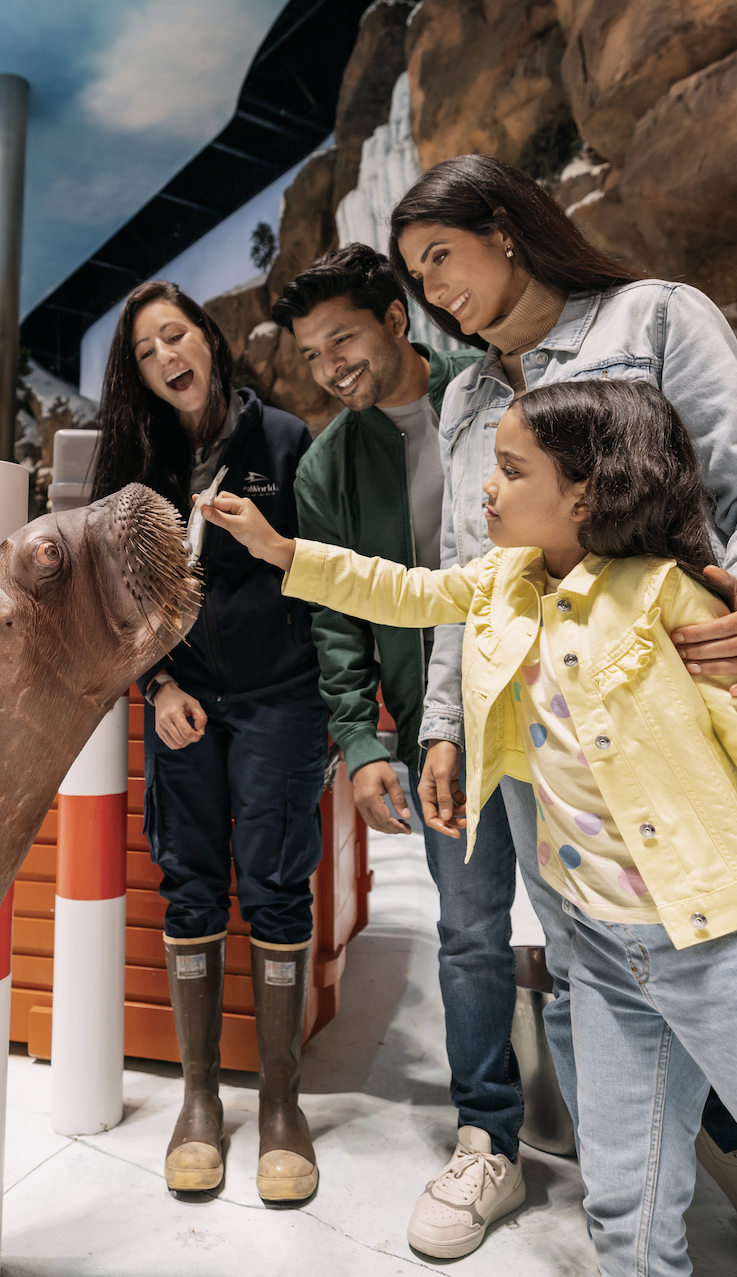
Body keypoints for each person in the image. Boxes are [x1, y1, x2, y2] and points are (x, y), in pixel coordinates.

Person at [197, 376, 737, 1277]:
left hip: (735, 953)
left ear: (585, 494)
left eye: (510, 470)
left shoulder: (672, 601)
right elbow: (403, 590)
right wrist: (280, 550)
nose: (486, 488)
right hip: (605, 957)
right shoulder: (503, 583)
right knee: (624, 1211)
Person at [393, 153, 737, 1275]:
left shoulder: (654, 318)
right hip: (539, 741)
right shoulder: (464, 396)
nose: (431, 289)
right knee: (588, 977)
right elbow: (472, 581)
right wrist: (444, 724)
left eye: (440, 255)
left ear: (505, 227)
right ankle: (633, 1237)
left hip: (671, 722)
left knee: (726, 957)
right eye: (415, 275)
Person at [273, 243, 526, 1258]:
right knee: (468, 933)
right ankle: (487, 1134)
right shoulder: (326, 465)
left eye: (342, 338)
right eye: (309, 353)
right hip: (436, 735)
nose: (329, 367)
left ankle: (716, 1133)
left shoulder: (495, 394)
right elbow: (337, 617)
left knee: (623, 926)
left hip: (553, 711)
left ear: (393, 317)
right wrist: (360, 736)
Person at [89, 280, 328, 1204]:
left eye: (174, 335)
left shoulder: (284, 443)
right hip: (182, 703)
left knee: (274, 887)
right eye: (145, 352)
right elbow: (117, 597)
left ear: (208, 339)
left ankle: (280, 1105)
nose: (165, 358)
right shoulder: (136, 466)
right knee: (188, 882)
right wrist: (156, 684)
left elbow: (326, 574)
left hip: (279, 698)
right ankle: (198, 1100)